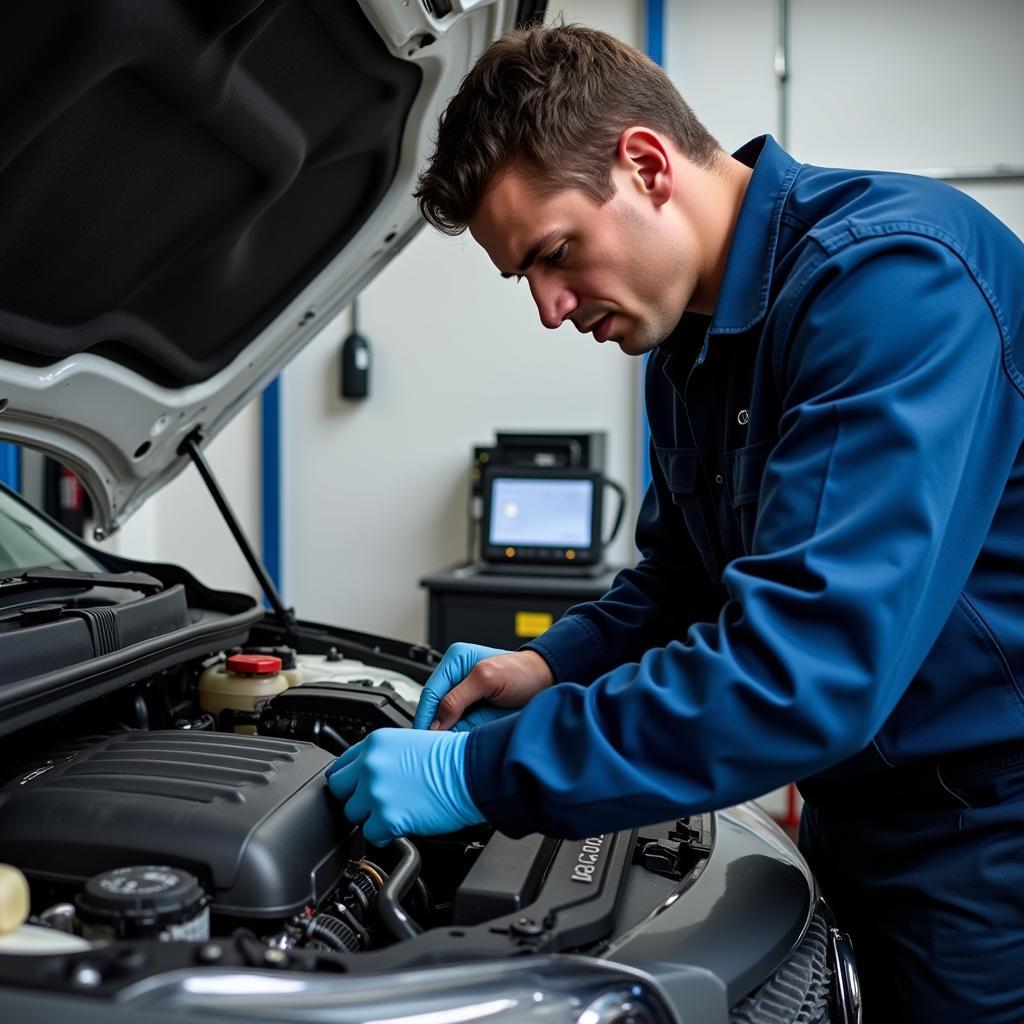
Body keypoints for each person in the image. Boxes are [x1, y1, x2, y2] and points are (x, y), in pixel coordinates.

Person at [325, 22, 1024, 1022]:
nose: (550, 308)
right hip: (854, 818)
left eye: (555, 254)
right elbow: (679, 584)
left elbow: (799, 671)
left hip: (986, 846)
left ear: (646, 164)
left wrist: (482, 771)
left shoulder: (892, 289)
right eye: (524, 276)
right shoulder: (686, 352)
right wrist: (552, 663)